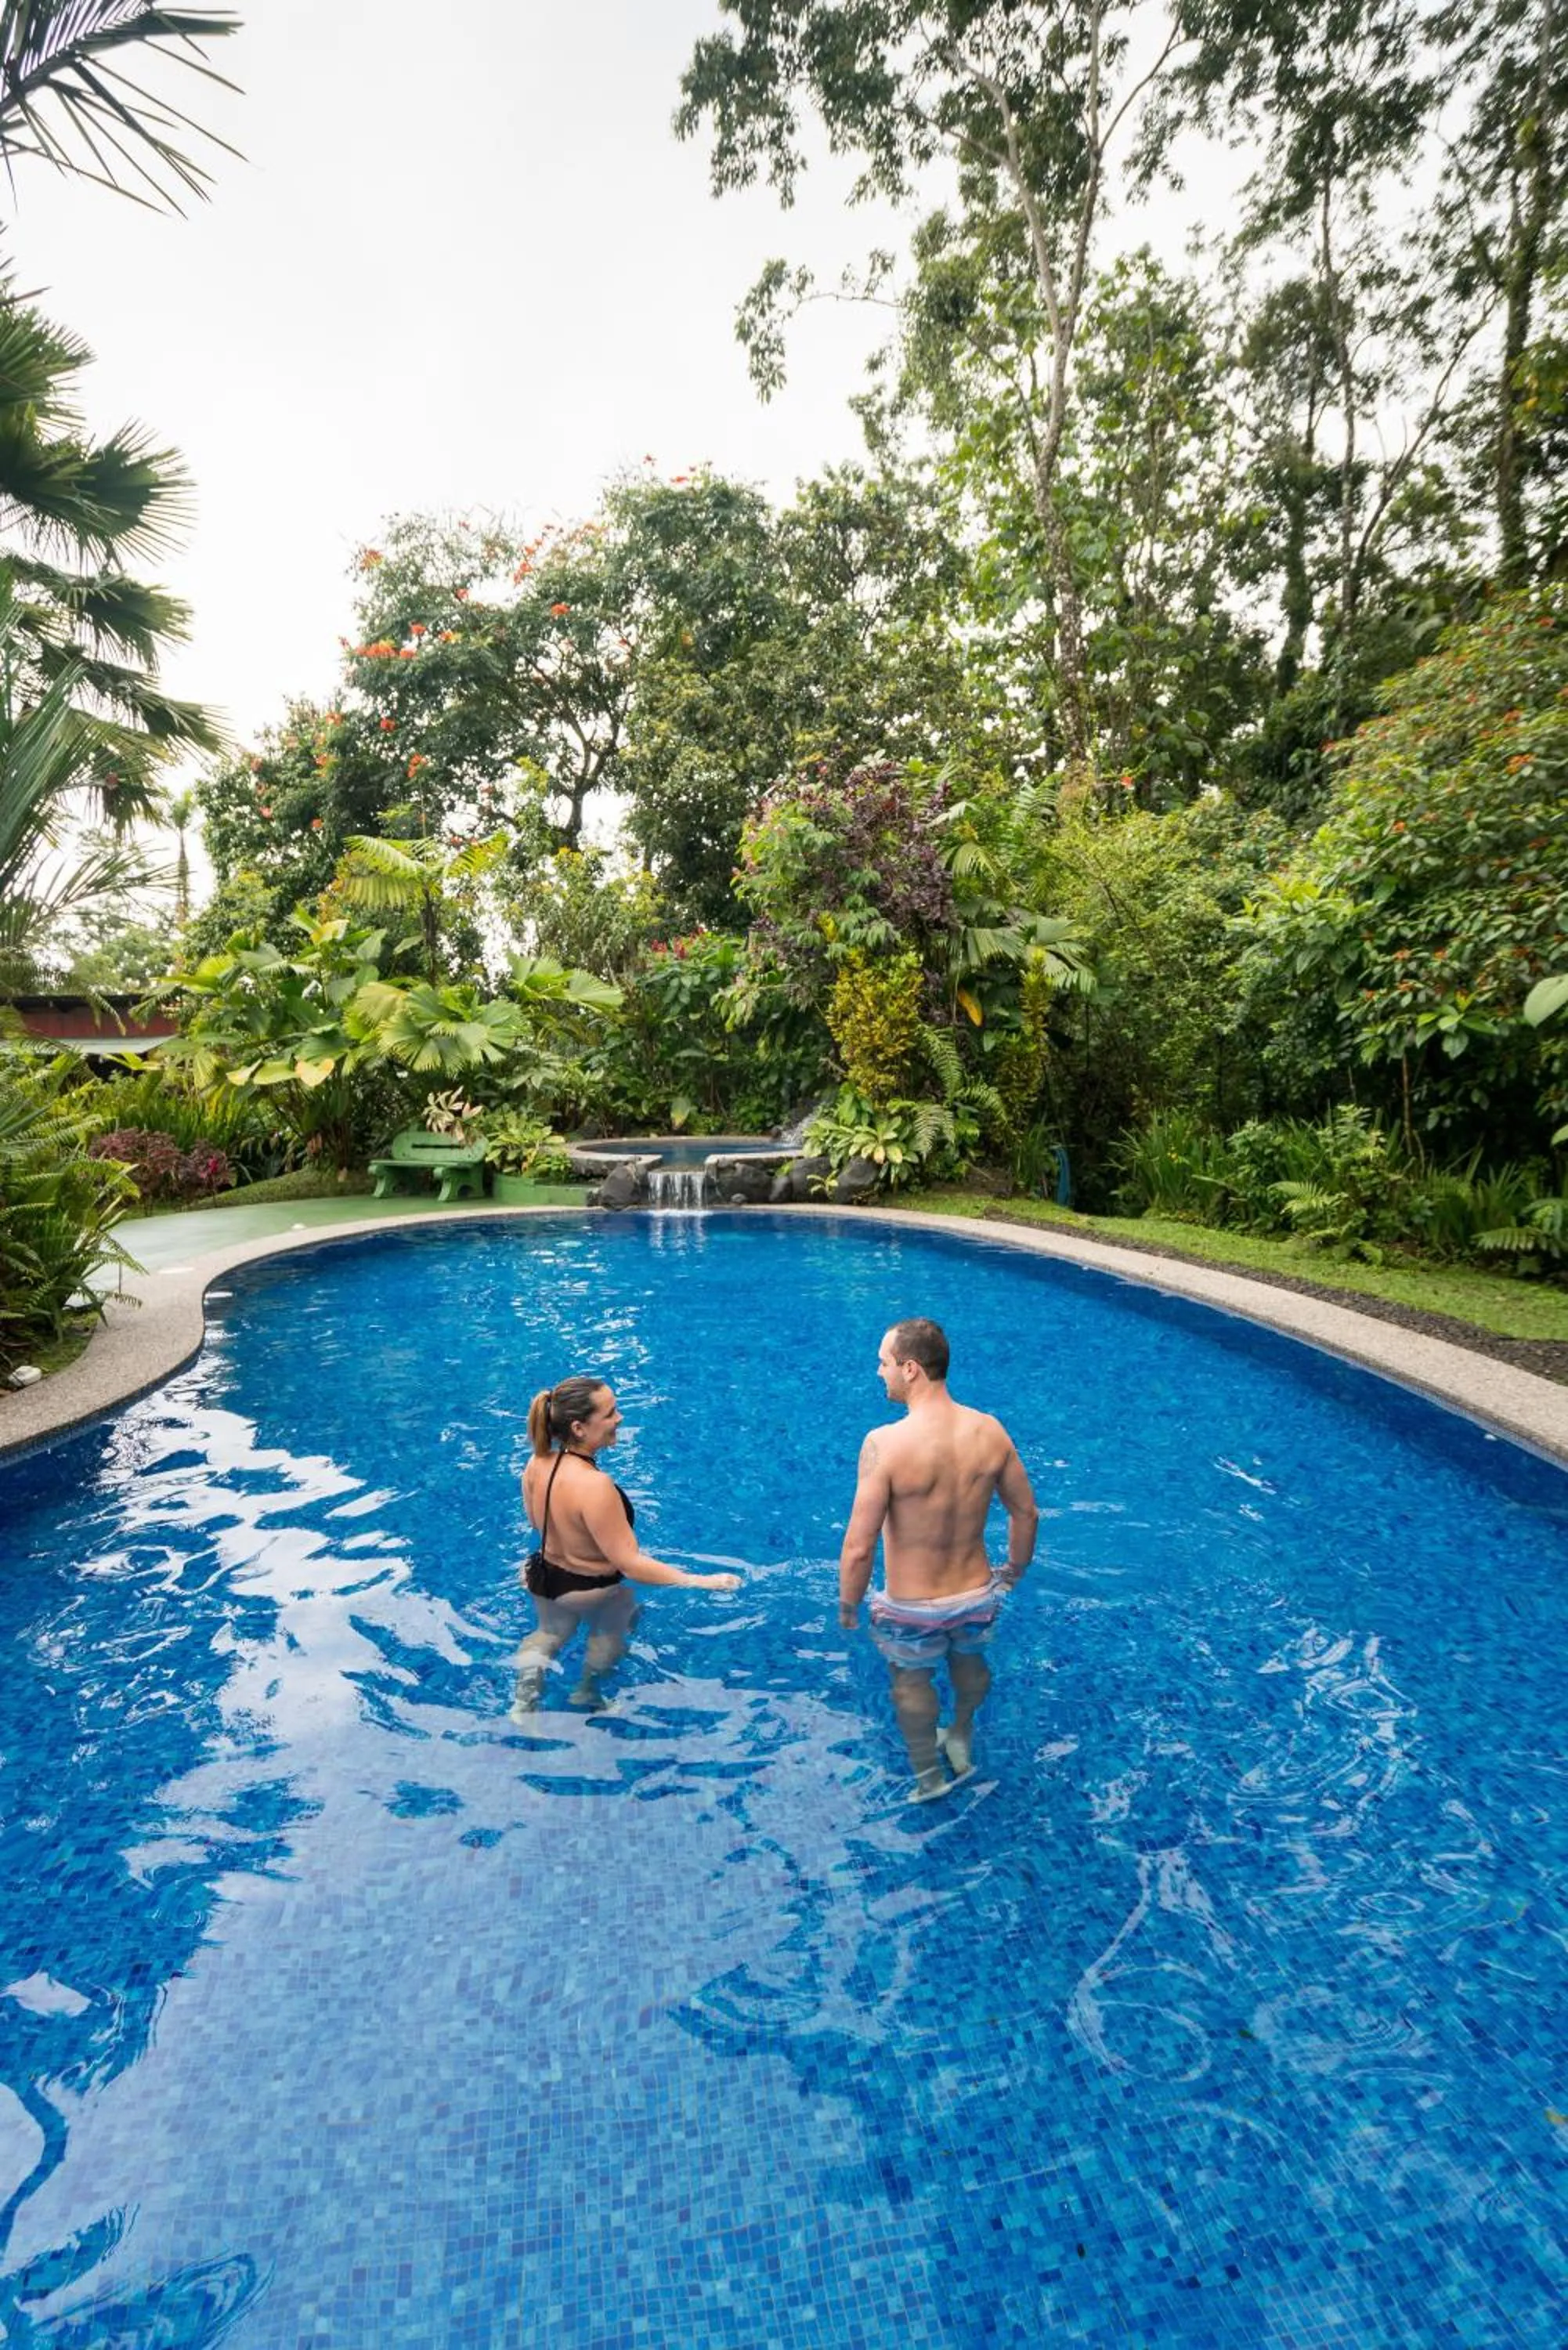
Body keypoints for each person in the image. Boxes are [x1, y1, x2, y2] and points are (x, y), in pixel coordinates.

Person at [838, 1318, 1039, 1802]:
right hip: (976, 1595)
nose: (878, 1372)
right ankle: (962, 1734)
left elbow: (859, 1546)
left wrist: (848, 1606)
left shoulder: (885, 1444)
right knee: (970, 1665)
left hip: (912, 1606)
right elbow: (1026, 1513)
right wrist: (1012, 1573)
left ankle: (929, 1778)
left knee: (911, 1685)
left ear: (910, 1369)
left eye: (884, 1363)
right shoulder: (989, 1430)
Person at [515, 1375, 741, 1716]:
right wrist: (701, 1581)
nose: (619, 1419)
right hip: (591, 1588)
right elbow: (631, 1564)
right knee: (619, 1619)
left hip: (542, 1576)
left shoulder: (537, 1464)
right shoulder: (595, 1485)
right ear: (579, 1427)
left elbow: (536, 1522)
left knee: (547, 1635)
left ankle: (522, 1704)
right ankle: (587, 1695)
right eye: (610, 1413)